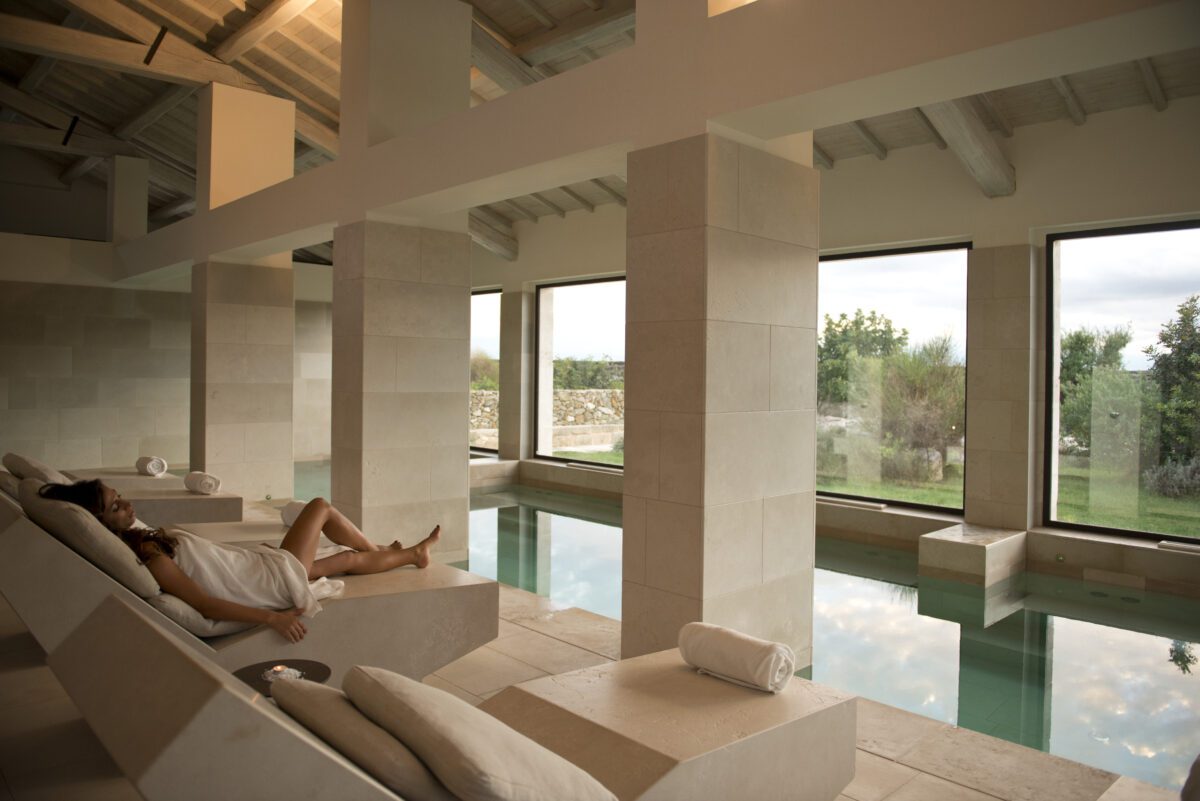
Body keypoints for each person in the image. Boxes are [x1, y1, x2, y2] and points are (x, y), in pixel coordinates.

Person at [38, 480, 440, 643]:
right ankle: (381, 550)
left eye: (118, 495)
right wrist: (272, 618)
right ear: (102, 522)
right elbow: (205, 605)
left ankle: (410, 554)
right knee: (320, 507)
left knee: (343, 559)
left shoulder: (141, 540)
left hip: (258, 570)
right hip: (266, 583)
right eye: (114, 505)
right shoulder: (150, 556)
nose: (125, 503)